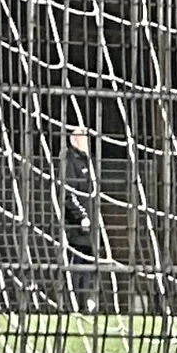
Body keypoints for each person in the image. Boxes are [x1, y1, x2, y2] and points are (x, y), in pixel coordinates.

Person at [58, 121, 105, 312]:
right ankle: (72, 304)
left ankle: (84, 303)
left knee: (88, 265)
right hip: (77, 227)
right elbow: (68, 194)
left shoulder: (88, 162)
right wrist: (81, 217)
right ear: (73, 140)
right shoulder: (70, 161)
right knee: (76, 265)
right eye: (82, 137)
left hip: (90, 226)